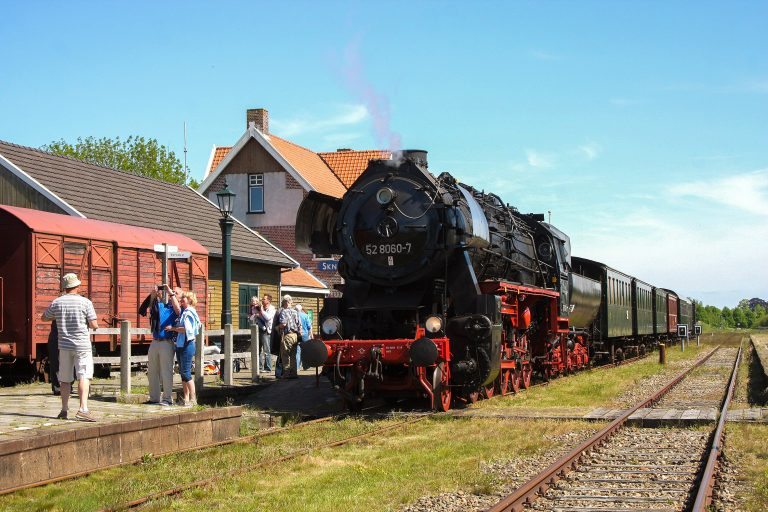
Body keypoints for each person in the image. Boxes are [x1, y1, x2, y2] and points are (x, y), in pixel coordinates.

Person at [41, 273, 98, 422]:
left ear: (65, 287)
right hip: (82, 346)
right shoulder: (86, 303)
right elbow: (94, 325)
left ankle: (64, 409)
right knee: (83, 376)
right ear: (77, 286)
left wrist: (58, 316)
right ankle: (83, 409)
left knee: (65, 379)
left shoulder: (57, 303)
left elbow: (44, 317)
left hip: (64, 346)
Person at [139, 284, 180, 406]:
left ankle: (167, 399)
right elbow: (152, 306)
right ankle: (154, 398)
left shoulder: (176, 309)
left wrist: (169, 291)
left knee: (166, 372)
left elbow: (178, 310)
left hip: (166, 342)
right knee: (152, 371)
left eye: (175, 293)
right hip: (155, 341)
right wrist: (154, 295)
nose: (172, 293)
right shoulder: (162, 306)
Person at [165, 290, 201, 407]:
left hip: (187, 344)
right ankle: (185, 398)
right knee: (182, 373)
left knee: (186, 373)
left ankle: (193, 399)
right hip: (181, 344)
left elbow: (186, 329)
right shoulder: (185, 312)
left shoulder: (189, 312)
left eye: (184, 298)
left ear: (189, 301)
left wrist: (172, 328)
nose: (182, 300)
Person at [277, 295, 301, 379]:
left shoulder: (284, 312)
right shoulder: (296, 312)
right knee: (293, 355)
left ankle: (286, 374)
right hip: (295, 335)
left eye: (283, 302)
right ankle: (294, 373)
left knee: (285, 355)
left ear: (285, 302)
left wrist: (277, 327)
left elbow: (283, 324)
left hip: (288, 335)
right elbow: (299, 325)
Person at [253, 294, 276, 372]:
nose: (262, 300)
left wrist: (261, 311)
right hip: (259, 329)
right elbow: (253, 316)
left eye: (264, 299)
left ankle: (268, 367)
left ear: (268, 301)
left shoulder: (272, 309)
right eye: (262, 299)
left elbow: (268, 318)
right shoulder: (260, 308)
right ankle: (259, 367)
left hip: (266, 331)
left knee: (266, 350)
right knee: (258, 349)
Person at [295, 304, 313, 370]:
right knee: (306, 350)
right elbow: (309, 326)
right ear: (301, 309)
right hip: (305, 335)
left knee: (297, 351)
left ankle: (297, 367)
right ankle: (306, 366)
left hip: (297, 335)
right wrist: (311, 335)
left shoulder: (294, 315)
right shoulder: (305, 316)